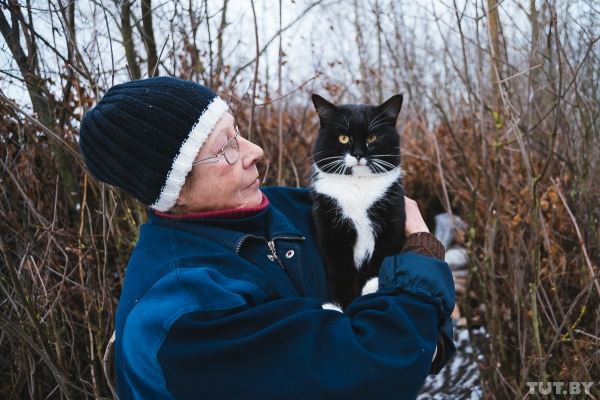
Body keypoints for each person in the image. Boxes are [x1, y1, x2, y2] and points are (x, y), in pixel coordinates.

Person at [79, 76, 455, 400]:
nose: (254, 152)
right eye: (225, 148)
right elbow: (363, 376)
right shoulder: (182, 314)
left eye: (237, 132)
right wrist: (422, 252)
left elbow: (412, 324)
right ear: (174, 187)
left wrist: (423, 342)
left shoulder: (289, 210)